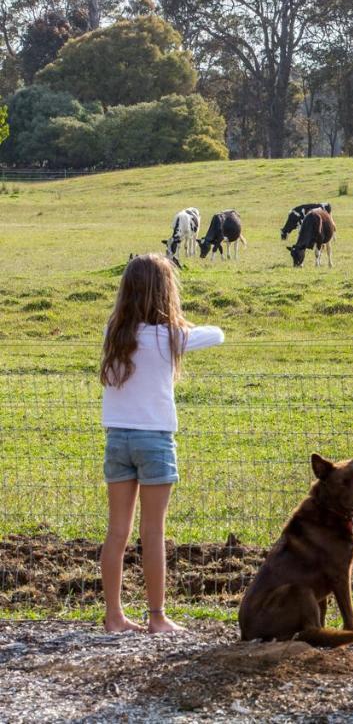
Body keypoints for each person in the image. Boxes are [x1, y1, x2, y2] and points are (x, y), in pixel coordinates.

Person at [99, 253, 224, 633]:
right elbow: (218, 333)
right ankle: (157, 617)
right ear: (165, 293)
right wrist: (179, 322)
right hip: (154, 441)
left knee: (116, 531)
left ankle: (114, 616)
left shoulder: (114, 334)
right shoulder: (171, 337)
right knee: (152, 532)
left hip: (117, 438)